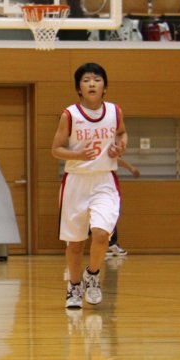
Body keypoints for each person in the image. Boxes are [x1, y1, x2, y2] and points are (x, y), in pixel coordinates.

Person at [51, 62, 128, 310]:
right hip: (76, 181)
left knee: (102, 234)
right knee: (75, 243)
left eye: (97, 79)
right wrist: (77, 155)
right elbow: (56, 150)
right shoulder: (70, 115)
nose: (92, 83)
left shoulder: (115, 111)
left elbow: (122, 133)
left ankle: (92, 274)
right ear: (79, 88)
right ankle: (74, 286)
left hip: (104, 180)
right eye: (86, 80)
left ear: (105, 87)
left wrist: (120, 146)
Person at [106, 158, 139, 258]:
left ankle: (110, 244)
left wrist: (131, 168)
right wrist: (131, 168)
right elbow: (116, 159)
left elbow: (116, 159)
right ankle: (111, 245)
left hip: (107, 189)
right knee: (107, 216)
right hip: (102, 189)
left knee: (109, 216)